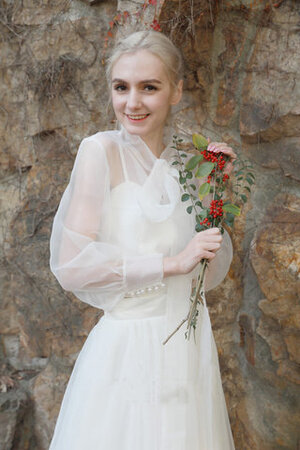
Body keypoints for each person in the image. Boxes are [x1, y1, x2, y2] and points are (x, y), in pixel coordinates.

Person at [49, 30, 236, 450]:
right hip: (128, 350)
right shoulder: (100, 152)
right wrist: (172, 263)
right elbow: (71, 265)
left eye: (148, 87)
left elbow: (209, 271)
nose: (132, 103)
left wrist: (214, 198)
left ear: (176, 91)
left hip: (186, 351)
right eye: (121, 87)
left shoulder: (189, 161)